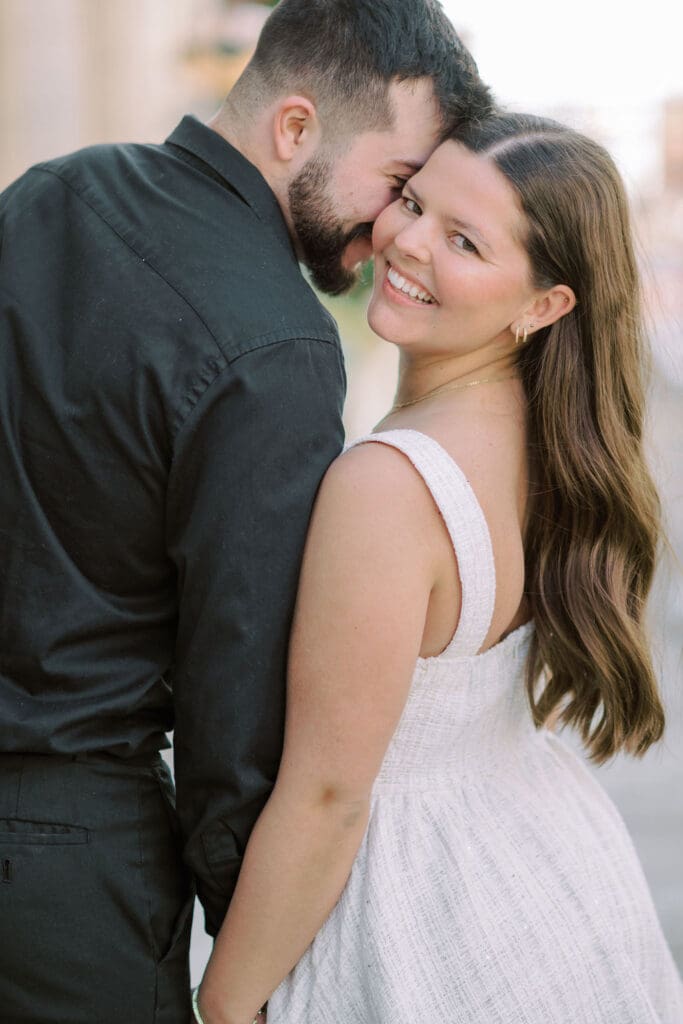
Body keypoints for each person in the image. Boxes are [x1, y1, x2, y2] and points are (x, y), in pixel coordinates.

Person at [0, 2, 491, 1021]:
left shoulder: (49, 192)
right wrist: (260, 966)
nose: (391, 229)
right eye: (397, 187)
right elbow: (239, 716)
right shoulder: (277, 345)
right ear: (295, 128)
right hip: (66, 862)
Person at [193, 113, 683, 1023]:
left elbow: (331, 795)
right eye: (412, 203)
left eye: (462, 240)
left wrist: (223, 1001)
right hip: (553, 876)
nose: (407, 244)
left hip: (424, 913)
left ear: (543, 304)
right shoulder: (559, 449)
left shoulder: (387, 485)